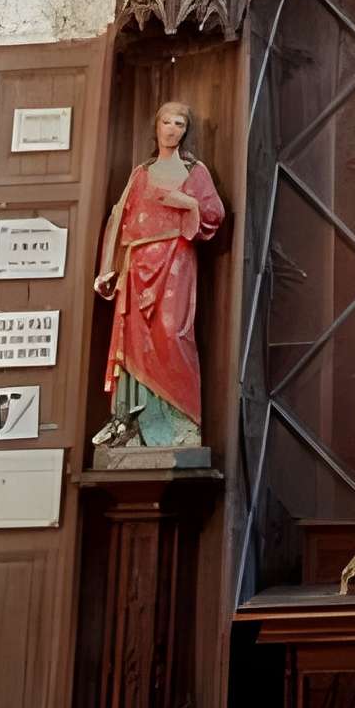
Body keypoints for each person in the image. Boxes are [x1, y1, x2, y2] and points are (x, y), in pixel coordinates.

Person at [93, 99, 226, 451]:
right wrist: (108, 268)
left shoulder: (195, 171)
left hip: (175, 261)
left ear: (186, 131)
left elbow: (214, 212)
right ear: (156, 127)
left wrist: (187, 203)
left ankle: (181, 422)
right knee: (135, 340)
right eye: (166, 122)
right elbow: (119, 218)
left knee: (172, 333)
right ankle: (134, 422)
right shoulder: (141, 172)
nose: (172, 129)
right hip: (137, 264)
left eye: (179, 123)